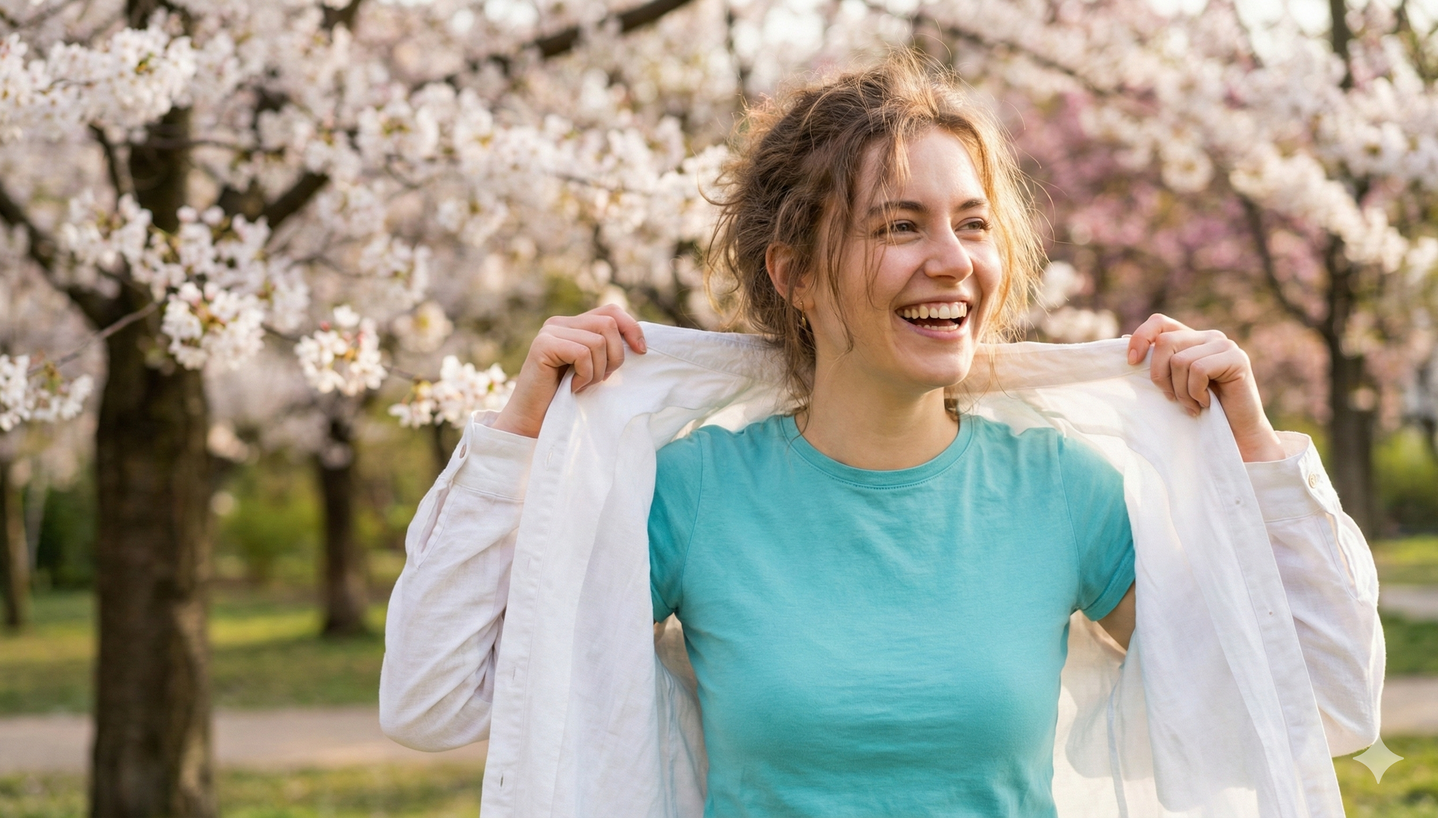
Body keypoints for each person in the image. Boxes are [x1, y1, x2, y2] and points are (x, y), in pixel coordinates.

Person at [381, 52, 1383, 817]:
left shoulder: (1063, 490)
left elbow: (1321, 702)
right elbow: (434, 698)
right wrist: (518, 434)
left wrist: (1257, 452)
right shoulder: (688, 494)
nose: (951, 260)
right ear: (795, 274)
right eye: (900, 226)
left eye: (973, 224)